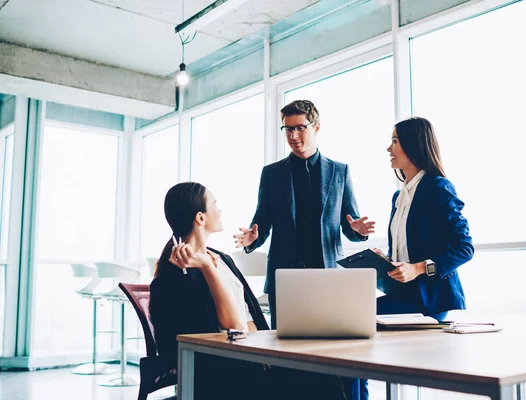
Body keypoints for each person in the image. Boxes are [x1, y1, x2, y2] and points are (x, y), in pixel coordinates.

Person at [149, 182, 348, 400]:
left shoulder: (222, 258)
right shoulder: (178, 275)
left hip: (258, 356)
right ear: (200, 218)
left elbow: (250, 315)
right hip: (231, 372)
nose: (220, 210)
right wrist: (206, 266)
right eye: (215, 205)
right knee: (322, 380)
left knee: (325, 372)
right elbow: (235, 326)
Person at [234, 99, 375, 328]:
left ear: (316, 127)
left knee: (328, 344)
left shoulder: (340, 171)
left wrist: (357, 230)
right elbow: (262, 222)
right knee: (284, 347)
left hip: (327, 274)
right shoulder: (271, 173)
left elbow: (350, 223)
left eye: (300, 128)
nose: (293, 136)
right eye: (288, 129)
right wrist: (252, 239)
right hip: (284, 275)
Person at [374, 117, 474, 321]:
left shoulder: (438, 188)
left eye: (395, 141)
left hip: (430, 299)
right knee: (353, 309)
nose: (388, 149)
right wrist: (384, 260)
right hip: (402, 293)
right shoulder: (399, 197)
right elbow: (407, 252)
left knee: (357, 312)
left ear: (413, 145)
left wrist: (418, 268)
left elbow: (465, 249)